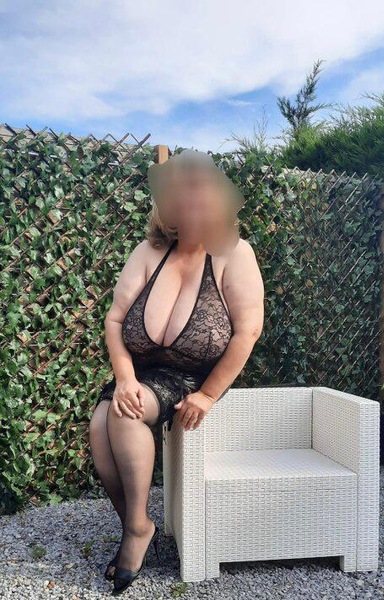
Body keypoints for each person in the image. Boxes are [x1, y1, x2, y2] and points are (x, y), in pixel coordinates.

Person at [89, 149, 264, 595]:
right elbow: (114, 319)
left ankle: (135, 533)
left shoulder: (235, 254)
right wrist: (124, 377)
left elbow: (248, 331)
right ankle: (137, 523)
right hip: (140, 372)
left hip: (192, 375)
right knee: (98, 430)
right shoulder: (150, 251)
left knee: (124, 414)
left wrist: (208, 395)